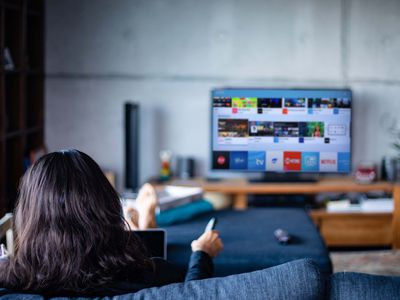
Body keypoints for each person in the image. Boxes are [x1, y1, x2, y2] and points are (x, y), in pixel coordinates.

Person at [0, 150, 223, 296]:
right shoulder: (151, 276)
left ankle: (144, 224)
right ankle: (144, 222)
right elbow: (192, 293)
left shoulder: (11, 283)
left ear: (28, 213)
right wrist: (202, 255)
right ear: (106, 205)